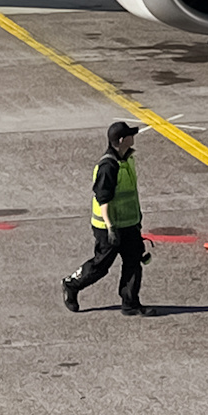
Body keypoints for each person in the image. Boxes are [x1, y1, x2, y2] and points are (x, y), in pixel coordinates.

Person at [62, 121, 158, 316]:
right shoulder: (108, 166)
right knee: (101, 265)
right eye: (131, 135)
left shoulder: (128, 159)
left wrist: (137, 219)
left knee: (133, 262)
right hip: (109, 226)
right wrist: (111, 228)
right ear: (122, 140)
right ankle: (71, 285)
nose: (134, 138)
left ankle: (130, 303)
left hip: (129, 224)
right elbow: (103, 199)